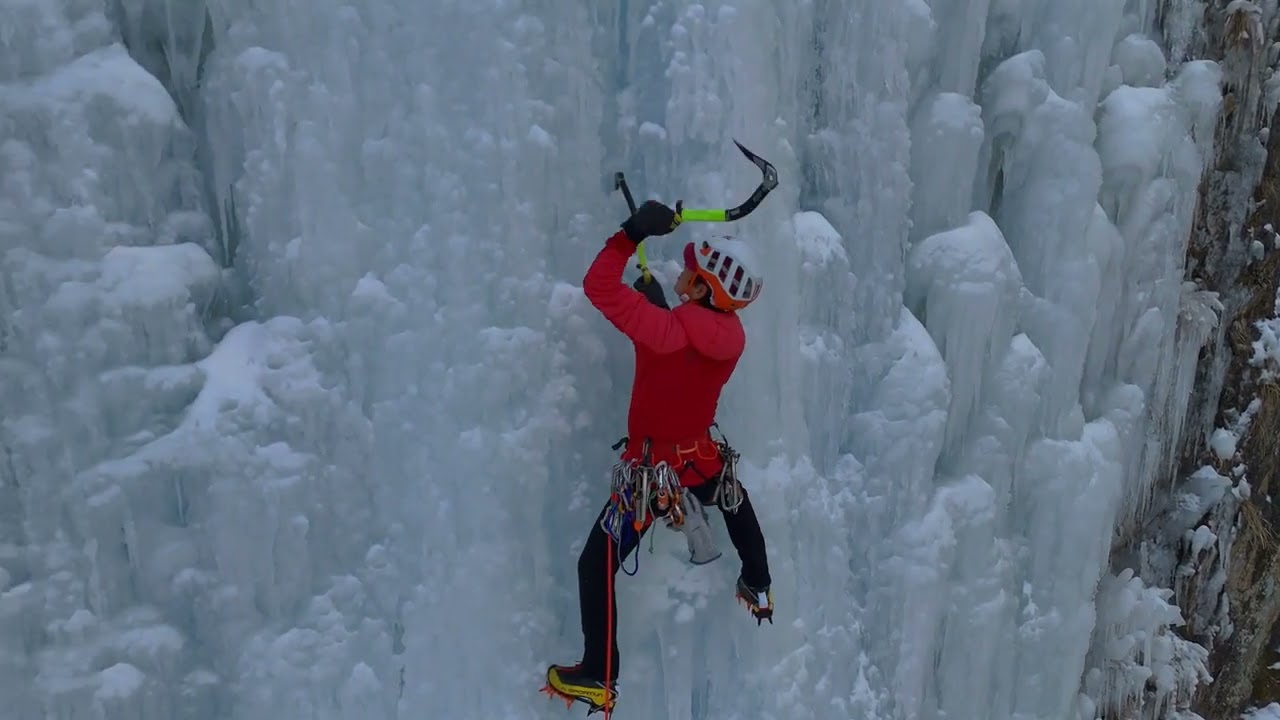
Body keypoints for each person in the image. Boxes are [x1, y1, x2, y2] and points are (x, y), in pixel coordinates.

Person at [544, 200, 773, 713]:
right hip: (700, 457)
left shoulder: (663, 331)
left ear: (703, 288)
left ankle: (600, 674)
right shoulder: (732, 337)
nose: (683, 272)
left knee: (595, 563)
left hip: (655, 475)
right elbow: (689, 345)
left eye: (691, 271)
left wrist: (629, 235)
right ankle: (759, 583)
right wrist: (665, 314)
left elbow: (599, 288)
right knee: (732, 500)